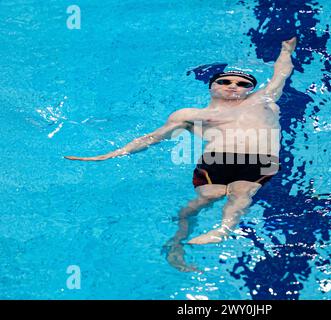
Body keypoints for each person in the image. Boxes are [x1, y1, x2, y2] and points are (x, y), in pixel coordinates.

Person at [65, 37, 296, 271]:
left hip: (259, 159)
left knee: (241, 191)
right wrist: (109, 154)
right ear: (212, 86)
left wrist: (286, 50)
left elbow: (281, 74)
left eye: (242, 83)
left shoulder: (263, 100)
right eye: (225, 80)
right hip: (215, 161)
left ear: (251, 89)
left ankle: (223, 230)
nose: (233, 85)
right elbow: (152, 137)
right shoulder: (190, 114)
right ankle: (176, 243)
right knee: (205, 199)